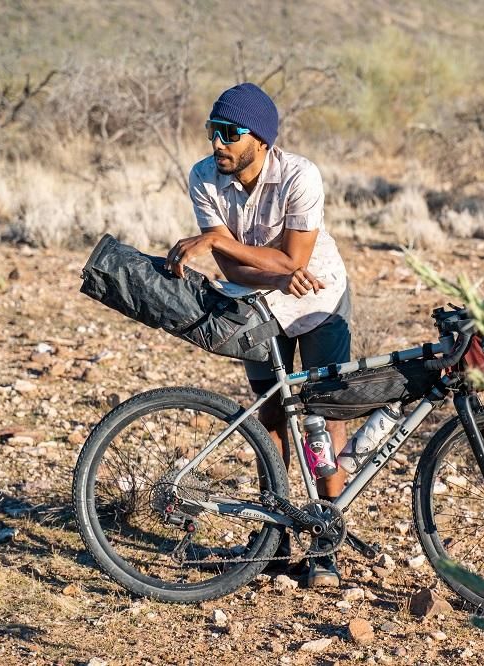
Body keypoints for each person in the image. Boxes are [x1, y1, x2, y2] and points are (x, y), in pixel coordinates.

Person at [166, 82, 351, 588]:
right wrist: (258, 264)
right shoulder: (204, 178)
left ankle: (325, 539)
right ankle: (276, 534)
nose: (216, 144)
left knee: (321, 417)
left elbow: (296, 261)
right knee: (270, 413)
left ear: (261, 139)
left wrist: (218, 242)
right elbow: (232, 265)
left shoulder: (299, 176)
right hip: (257, 299)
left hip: (320, 298)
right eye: (212, 132)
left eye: (228, 133)